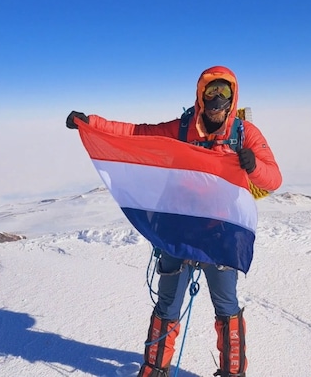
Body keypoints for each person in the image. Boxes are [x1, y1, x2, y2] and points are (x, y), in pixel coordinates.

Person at [66, 66, 282, 377]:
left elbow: (274, 178)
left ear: (232, 98)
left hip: (220, 234)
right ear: (201, 95)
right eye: (211, 91)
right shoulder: (181, 129)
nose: (217, 99)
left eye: (224, 92)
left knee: (226, 307)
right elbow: (137, 134)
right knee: (168, 305)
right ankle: (155, 370)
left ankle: (233, 373)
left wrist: (254, 166)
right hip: (179, 228)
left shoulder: (245, 134)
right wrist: (91, 124)